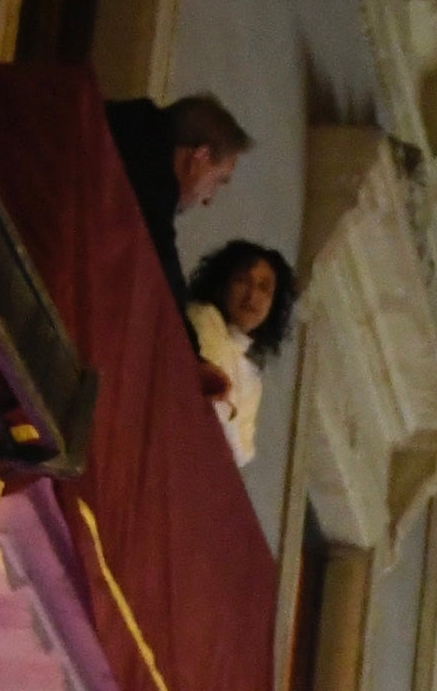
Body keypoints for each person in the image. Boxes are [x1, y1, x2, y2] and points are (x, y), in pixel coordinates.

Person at [103, 85, 251, 292]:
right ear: (200, 158)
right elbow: (166, 291)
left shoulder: (125, 116)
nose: (209, 200)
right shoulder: (156, 191)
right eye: (218, 181)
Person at [183, 237, 295, 457]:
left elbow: (243, 454)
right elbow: (211, 409)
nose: (252, 296)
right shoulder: (203, 317)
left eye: (264, 288)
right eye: (242, 280)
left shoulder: (253, 377)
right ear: (223, 283)